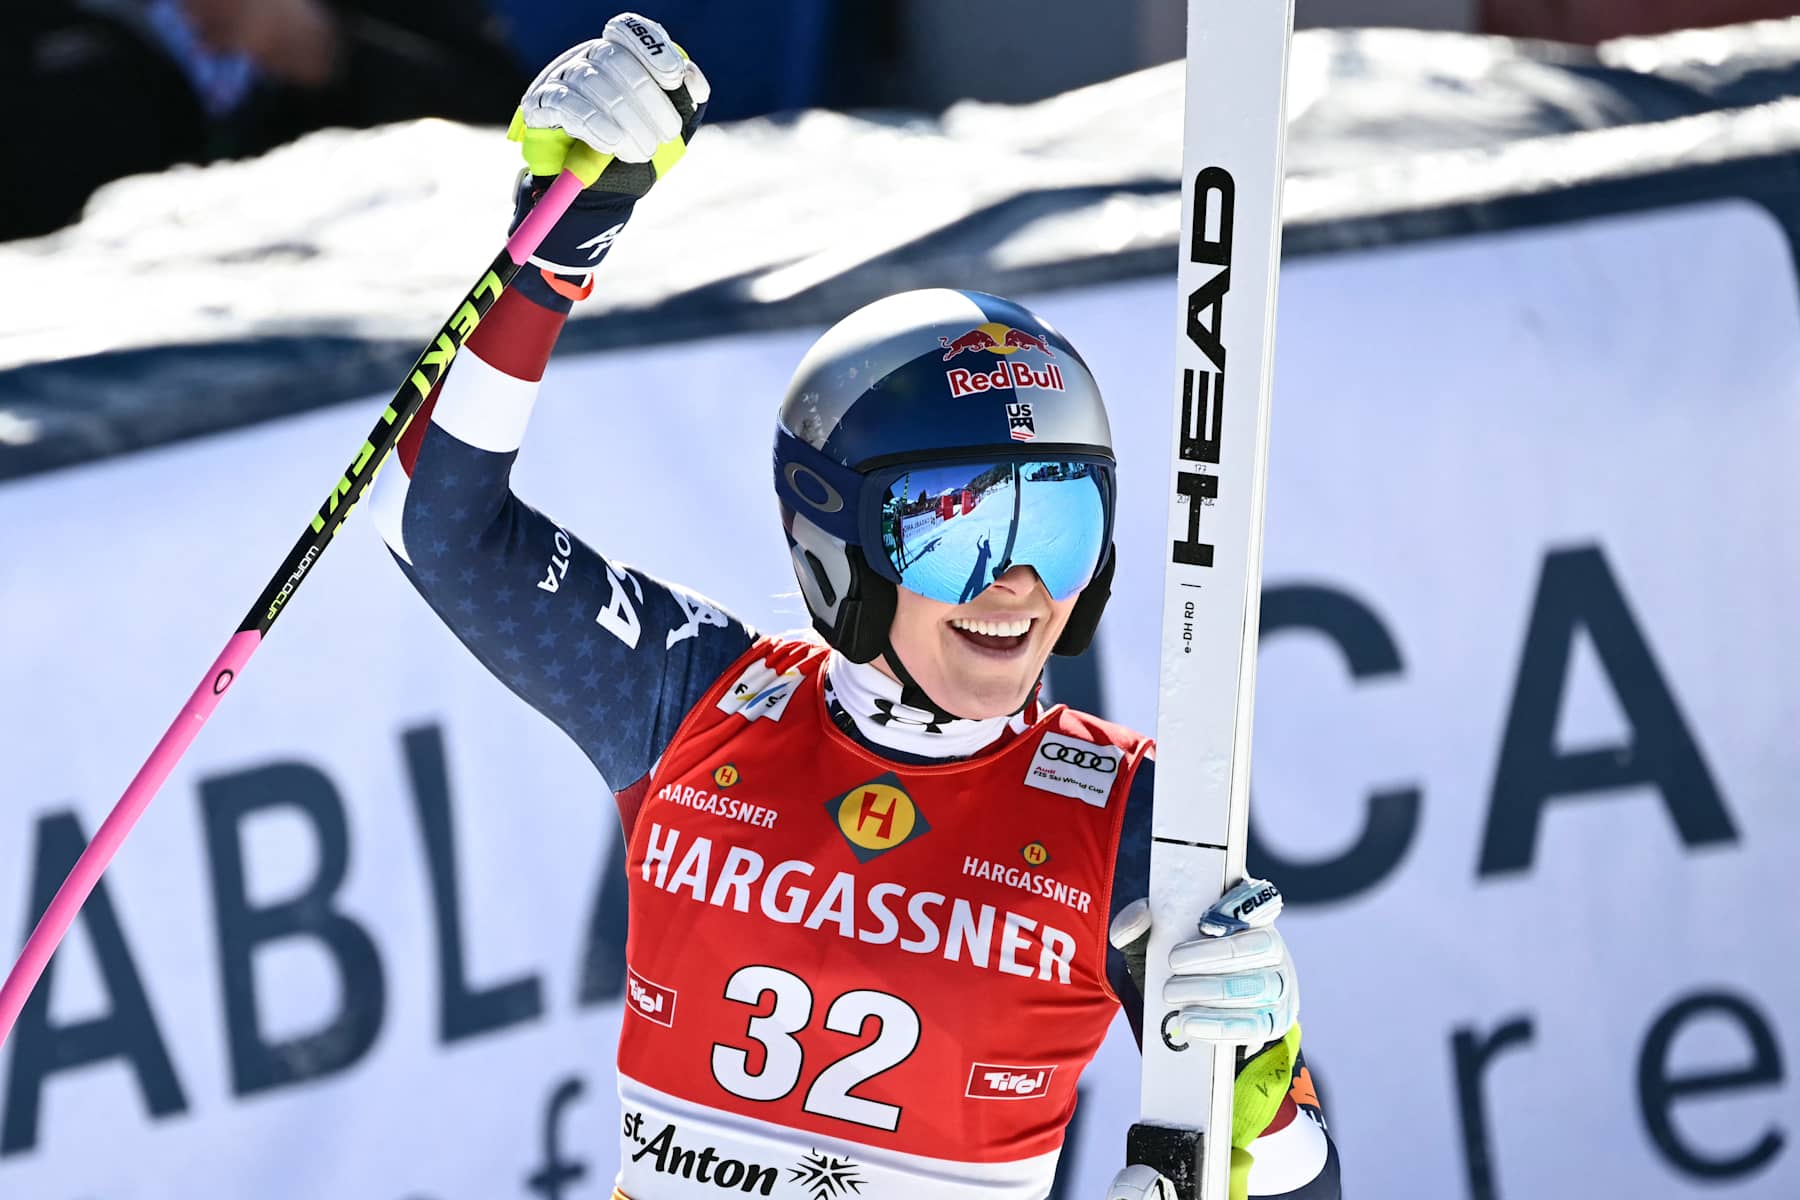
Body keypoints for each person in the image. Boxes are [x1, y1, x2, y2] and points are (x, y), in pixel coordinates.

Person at [369, 15, 1341, 1199]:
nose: (1019, 583)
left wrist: (1268, 1113)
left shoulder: (1139, 819)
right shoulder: (690, 699)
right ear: (836, 539)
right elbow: (439, 522)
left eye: (1062, 521)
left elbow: (1291, 1184)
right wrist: (552, 246)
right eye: (960, 527)